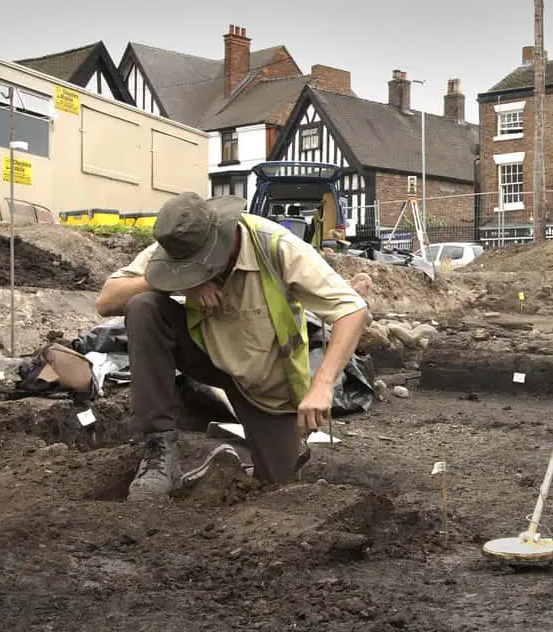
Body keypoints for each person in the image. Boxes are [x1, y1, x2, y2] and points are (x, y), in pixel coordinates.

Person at [97, 192, 370, 502]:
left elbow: (353, 310)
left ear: (222, 240)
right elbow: (107, 301)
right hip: (206, 356)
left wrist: (322, 385)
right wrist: (180, 280)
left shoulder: (275, 246)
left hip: (265, 384)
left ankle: (222, 471)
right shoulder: (180, 244)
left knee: (277, 488)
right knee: (144, 307)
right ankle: (160, 451)